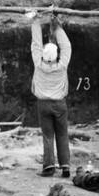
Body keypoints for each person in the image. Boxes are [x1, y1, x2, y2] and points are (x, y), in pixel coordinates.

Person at [29, 9, 72, 179]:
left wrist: (35, 21)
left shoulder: (38, 64)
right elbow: (67, 46)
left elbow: (36, 43)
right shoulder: (62, 66)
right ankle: (65, 166)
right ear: (56, 56)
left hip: (43, 104)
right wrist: (57, 26)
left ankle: (48, 167)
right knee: (62, 133)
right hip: (60, 104)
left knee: (48, 135)